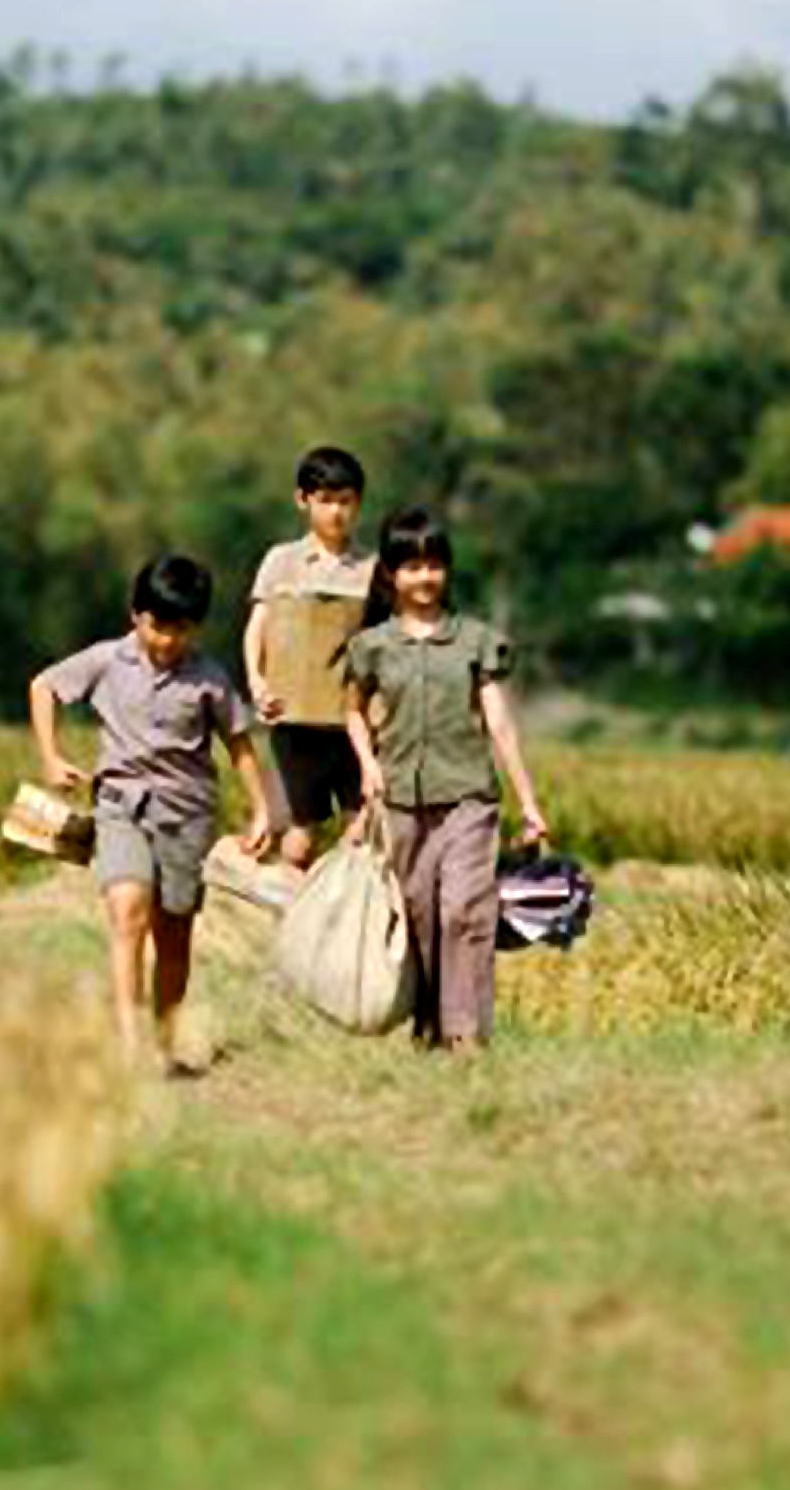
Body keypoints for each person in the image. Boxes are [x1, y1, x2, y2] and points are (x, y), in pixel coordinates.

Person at [31, 552, 288, 1075]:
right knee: (128, 911)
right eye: (158, 625)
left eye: (182, 628)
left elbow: (239, 744)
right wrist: (51, 756)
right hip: (120, 806)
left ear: (196, 626)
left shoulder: (209, 677)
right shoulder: (106, 660)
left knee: (173, 938)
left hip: (187, 816)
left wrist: (261, 809)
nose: (168, 639)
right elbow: (44, 686)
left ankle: (163, 1043)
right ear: (136, 614)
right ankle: (130, 1044)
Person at [343, 506, 550, 1050]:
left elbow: (500, 724)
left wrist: (529, 803)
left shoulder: (476, 641)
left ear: (448, 570)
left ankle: (467, 1036)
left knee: (464, 910)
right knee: (419, 917)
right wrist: (367, 766)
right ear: (391, 574)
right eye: (412, 567)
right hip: (401, 800)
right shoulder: (372, 646)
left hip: (468, 799)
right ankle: (430, 1026)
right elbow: (353, 712)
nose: (425, 577)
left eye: (435, 565)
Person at [242, 444, 374, 867]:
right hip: (294, 723)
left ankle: (345, 902)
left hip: (352, 723)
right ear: (302, 500)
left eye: (345, 501)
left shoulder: (372, 569)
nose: (336, 512)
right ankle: (293, 903)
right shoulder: (281, 561)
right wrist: (257, 683)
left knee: (363, 828)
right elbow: (258, 628)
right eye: (326, 500)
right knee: (298, 836)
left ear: (358, 503)